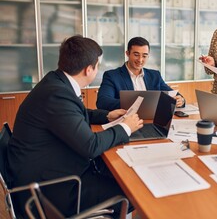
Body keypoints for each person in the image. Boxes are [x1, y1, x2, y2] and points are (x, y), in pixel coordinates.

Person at [7, 35, 143, 217]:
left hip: (46, 169)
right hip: (52, 189)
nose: (97, 70)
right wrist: (126, 127)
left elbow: (73, 114)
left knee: (117, 173)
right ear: (88, 70)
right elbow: (90, 146)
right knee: (133, 191)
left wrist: (107, 115)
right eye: (97, 66)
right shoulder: (57, 94)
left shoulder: (55, 82)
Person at [96, 36, 186, 110]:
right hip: (127, 121)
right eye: (136, 55)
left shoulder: (154, 75)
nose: (140, 60)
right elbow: (103, 102)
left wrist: (180, 100)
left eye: (144, 56)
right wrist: (138, 103)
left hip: (153, 121)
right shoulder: (112, 76)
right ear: (127, 53)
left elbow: (172, 94)